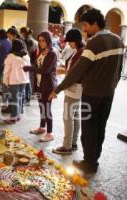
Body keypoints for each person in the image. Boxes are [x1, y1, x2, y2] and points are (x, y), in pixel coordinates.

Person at [50, 9, 124, 172]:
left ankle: (89, 163)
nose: (84, 29)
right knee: (100, 127)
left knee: (89, 129)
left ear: (95, 24)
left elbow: (77, 71)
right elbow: (119, 70)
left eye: (85, 25)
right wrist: (112, 86)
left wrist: (58, 89)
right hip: (108, 94)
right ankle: (94, 159)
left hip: (92, 94)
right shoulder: (118, 40)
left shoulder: (95, 42)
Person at [52, 29, 85, 155]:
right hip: (76, 88)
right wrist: (64, 71)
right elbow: (73, 70)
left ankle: (67, 146)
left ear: (74, 41)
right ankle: (73, 143)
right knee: (75, 116)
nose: (68, 44)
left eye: (70, 41)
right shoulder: (78, 51)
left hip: (74, 88)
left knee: (68, 118)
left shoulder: (81, 52)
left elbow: (75, 73)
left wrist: (64, 73)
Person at [23, 31, 57, 142]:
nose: (41, 42)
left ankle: (50, 133)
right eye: (40, 40)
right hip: (39, 84)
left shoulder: (52, 53)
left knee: (47, 109)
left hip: (48, 85)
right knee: (41, 107)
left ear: (48, 41)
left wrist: (30, 68)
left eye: (43, 40)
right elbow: (38, 66)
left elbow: (45, 70)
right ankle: (42, 127)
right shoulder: (41, 52)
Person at [3, 39, 30, 124]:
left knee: (14, 99)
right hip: (23, 80)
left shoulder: (11, 56)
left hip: (14, 80)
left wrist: (5, 81)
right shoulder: (26, 56)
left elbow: (7, 71)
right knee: (20, 97)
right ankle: (18, 115)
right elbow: (28, 69)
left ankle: (13, 117)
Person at [20, 27, 38, 105]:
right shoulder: (32, 40)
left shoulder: (28, 41)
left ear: (23, 33)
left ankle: (27, 99)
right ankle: (27, 98)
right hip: (32, 62)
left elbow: (27, 52)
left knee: (27, 81)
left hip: (29, 62)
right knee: (28, 80)